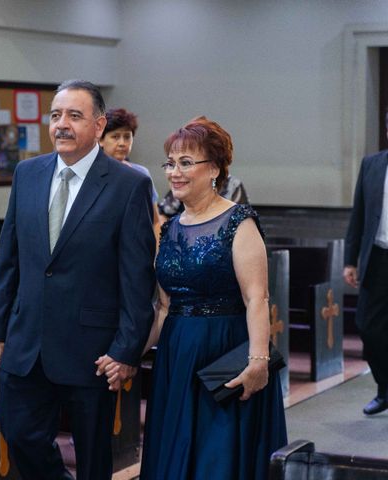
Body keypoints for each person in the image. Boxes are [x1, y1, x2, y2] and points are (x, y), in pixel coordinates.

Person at [0, 79, 156, 480]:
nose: (62, 124)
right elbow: (8, 261)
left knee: (93, 457)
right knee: (18, 430)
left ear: (98, 125)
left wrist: (127, 350)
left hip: (91, 349)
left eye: (74, 116)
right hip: (27, 343)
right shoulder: (28, 173)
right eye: (56, 115)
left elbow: (136, 278)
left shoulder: (129, 185)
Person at [125, 116, 287, 479]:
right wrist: (128, 354)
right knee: (177, 450)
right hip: (177, 356)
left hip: (225, 351)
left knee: (219, 457)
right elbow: (164, 307)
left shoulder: (238, 222)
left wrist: (258, 360)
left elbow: (257, 298)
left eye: (186, 162)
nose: (174, 172)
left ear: (214, 168)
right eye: (170, 162)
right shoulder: (168, 230)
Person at [343, 114, 388, 415]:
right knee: (368, 327)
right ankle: (384, 388)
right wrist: (350, 260)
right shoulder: (372, 164)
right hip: (379, 257)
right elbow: (358, 215)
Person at [98, 108, 163, 234]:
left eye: (127, 137)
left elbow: (155, 222)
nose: (122, 143)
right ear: (101, 140)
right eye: (115, 137)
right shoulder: (90, 173)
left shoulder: (141, 173)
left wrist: (155, 251)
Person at [158, 173, 249, 217]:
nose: (175, 173)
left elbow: (241, 222)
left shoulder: (232, 185)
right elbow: (163, 215)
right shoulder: (183, 183)